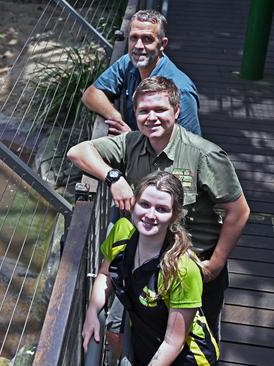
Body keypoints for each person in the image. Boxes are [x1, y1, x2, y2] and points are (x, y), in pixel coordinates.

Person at [68, 76, 250, 342]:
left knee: (197, 344)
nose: (151, 117)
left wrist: (215, 264)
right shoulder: (131, 143)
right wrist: (113, 178)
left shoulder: (204, 156)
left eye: (160, 110)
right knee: (145, 339)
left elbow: (239, 211)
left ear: (176, 111)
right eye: (143, 111)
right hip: (148, 263)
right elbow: (78, 152)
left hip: (194, 265)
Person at [82, 171, 219, 365]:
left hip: (186, 359)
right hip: (146, 349)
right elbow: (106, 275)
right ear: (134, 203)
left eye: (162, 209)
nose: (150, 215)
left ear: (174, 216)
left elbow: (173, 342)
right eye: (144, 204)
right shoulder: (123, 233)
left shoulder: (182, 270)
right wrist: (92, 311)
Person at [81, 9, 201, 135]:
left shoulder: (182, 90)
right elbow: (91, 94)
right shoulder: (128, 62)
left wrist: (134, 139)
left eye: (147, 39)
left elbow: (190, 147)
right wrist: (115, 116)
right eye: (134, 38)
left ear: (162, 44)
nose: (138, 46)